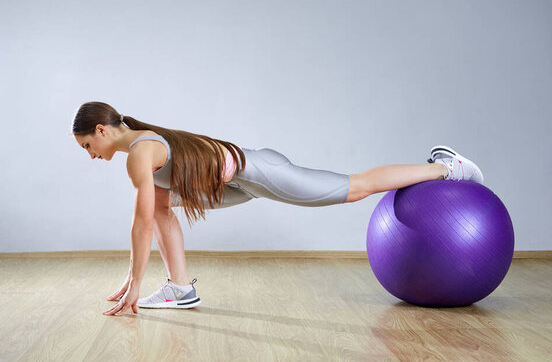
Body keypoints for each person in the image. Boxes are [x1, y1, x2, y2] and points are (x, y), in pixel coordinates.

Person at [72, 101, 484, 316]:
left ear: (102, 131)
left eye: (88, 146)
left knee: (355, 188)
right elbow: (152, 216)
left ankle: (446, 167)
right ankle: (181, 290)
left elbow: (141, 226)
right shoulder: (144, 145)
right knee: (161, 204)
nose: (91, 155)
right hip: (242, 180)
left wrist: (133, 282)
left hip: (261, 172)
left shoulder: (140, 152)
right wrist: (134, 278)